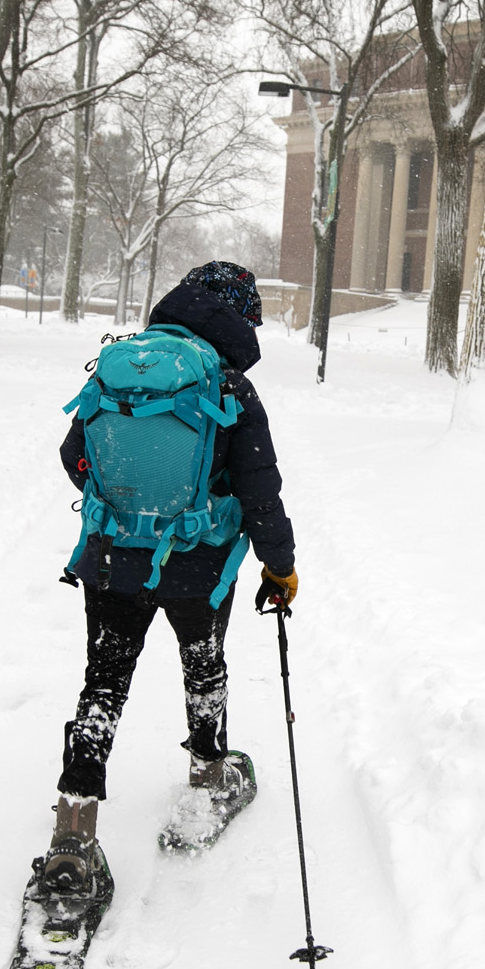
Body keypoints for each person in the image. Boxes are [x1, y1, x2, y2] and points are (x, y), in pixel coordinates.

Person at [36, 260, 298, 923]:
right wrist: (280, 567)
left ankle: (74, 832)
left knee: (104, 681)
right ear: (240, 318)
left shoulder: (121, 363)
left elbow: (74, 457)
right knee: (203, 664)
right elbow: (262, 494)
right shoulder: (230, 386)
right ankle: (208, 780)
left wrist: (127, 507)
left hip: (111, 561)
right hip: (199, 567)